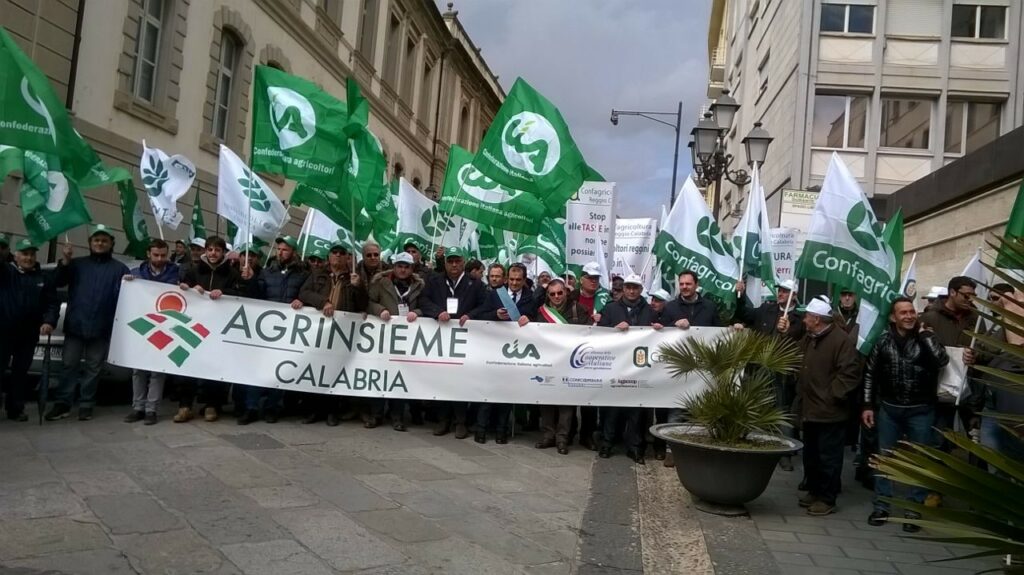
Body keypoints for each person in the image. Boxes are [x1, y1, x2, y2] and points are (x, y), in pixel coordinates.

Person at [862, 297, 948, 531]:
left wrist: (927, 336)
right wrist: (867, 405)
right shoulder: (882, 342)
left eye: (912, 311)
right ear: (893, 317)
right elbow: (869, 374)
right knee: (884, 459)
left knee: (918, 462)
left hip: (921, 410)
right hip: (889, 410)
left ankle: (914, 509)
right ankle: (882, 506)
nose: (909, 316)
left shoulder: (926, 339)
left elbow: (942, 360)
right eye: (903, 313)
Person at [45, 225, 130, 422]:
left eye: (104, 240)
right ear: (90, 243)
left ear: (111, 244)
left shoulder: (120, 269)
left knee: (94, 368)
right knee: (68, 366)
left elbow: (126, 298)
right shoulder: (76, 264)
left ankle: (86, 404)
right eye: (96, 240)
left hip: (101, 327)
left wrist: (131, 282)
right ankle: (63, 403)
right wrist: (64, 261)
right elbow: (56, 282)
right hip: (76, 325)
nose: (100, 243)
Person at [796, 295, 861, 516]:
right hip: (811, 409)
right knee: (811, 455)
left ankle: (827, 497)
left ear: (816, 319)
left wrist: (832, 396)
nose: (804, 320)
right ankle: (815, 491)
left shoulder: (840, 341)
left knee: (828, 457)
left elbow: (850, 374)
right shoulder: (810, 337)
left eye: (807, 316)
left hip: (830, 412)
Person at [421, 246, 492, 438]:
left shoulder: (475, 283)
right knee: (443, 380)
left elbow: (485, 305)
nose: (454, 264)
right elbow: (424, 301)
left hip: (465, 340)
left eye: (457, 261)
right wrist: (437, 312)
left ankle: (460, 422)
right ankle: (443, 420)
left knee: (460, 381)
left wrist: (471, 315)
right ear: (445, 263)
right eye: (450, 261)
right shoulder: (434, 281)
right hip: (441, 338)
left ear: (463, 262)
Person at [239, 235, 309, 424]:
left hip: (288, 330)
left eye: (285, 249)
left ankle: (272, 407)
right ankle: (251, 407)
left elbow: (306, 295)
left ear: (294, 252)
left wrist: (303, 300)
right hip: (267, 328)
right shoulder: (267, 272)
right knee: (258, 368)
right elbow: (256, 295)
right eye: (278, 249)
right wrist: (251, 280)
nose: (280, 252)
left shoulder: (303, 274)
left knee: (281, 369)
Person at [736, 278, 805, 470]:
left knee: (782, 411)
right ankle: (749, 445)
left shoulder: (800, 319)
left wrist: (788, 330)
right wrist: (739, 296)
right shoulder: (766, 310)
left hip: (782, 373)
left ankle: (785, 453)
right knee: (752, 405)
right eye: (780, 290)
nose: (780, 293)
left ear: (794, 296)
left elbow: (799, 338)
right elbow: (745, 314)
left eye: (785, 291)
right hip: (758, 367)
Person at [299, 241, 369, 426]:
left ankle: (332, 412)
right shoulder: (317, 275)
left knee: (334, 370)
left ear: (347, 257)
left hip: (341, 331)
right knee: (315, 370)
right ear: (329, 256)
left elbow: (363, 304)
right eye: (334, 252)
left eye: (341, 253)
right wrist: (323, 302)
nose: (337, 255)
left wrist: (358, 287)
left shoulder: (353, 277)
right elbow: (304, 293)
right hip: (318, 332)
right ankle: (313, 410)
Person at [175, 235, 242, 422]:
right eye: (210, 249)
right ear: (205, 250)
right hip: (193, 326)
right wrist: (187, 288)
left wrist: (225, 293)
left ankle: (212, 405)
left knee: (213, 366)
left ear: (223, 253)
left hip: (218, 328)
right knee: (187, 365)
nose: (213, 253)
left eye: (217, 250)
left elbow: (240, 294)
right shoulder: (194, 270)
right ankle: (185, 406)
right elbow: (183, 290)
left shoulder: (231, 273)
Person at [598, 274, 663, 464]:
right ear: (623, 288)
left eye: (635, 287)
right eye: (628, 287)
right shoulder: (610, 308)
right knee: (612, 408)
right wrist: (613, 329)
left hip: (639, 368)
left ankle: (635, 447)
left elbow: (658, 334)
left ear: (641, 290)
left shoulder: (650, 311)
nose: (632, 291)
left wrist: (660, 329)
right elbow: (599, 333)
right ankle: (607, 444)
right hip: (615, 366)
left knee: (636, 409)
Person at [122, 239, 180, 425]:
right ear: (149, 254)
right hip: (142, 327)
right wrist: (127, 284)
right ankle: (137, 407)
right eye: (156, 255)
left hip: (165, 327)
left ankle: (151, 409)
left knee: (157, 370)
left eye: (163, 255)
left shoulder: (176, 272)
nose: (160, 258)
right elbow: (123, 297)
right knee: (138, 369)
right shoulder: (136, 273)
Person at [920, 277, 980, 455]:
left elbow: (987, 347)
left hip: (970, 388)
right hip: (941, 389)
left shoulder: (976, 318)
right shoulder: (930, 317)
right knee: (939, 438)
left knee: (977, 440)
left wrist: (976, 354)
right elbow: (920, 351)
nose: (970, 299)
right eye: (966, 295)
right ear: (952, 292)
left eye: (973, 295)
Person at [0, 239, 59, 422]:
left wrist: (49, 321)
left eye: (32, 254)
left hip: (28, 333)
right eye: (24, 254)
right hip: (3, 330)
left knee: (20, 372)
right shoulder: (6, 272)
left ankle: (16, 409)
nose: (29, 257)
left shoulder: (42, 278)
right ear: (16, 256)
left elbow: (52, 303)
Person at [478, 262, 534, 444]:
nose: (515, 283)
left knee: (507, 393)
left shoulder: (531, 297)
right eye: (511, 279)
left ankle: (501, 430)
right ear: (506, 279)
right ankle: (481, 429)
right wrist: (495, 314)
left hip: (516, 351)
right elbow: (482, 315)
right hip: (494, 348)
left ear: (524, 280)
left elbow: (537, 320)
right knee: (488, 390)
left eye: (518, 280)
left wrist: (530, 319)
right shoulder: (495, 295)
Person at [367, 252, 424, 431]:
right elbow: (368, 302)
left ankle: (397, 416)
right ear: (394, 266)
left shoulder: (419, 286)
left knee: (399, 378)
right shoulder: (380, 282)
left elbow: (425, 305)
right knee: (381, 376)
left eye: (406, 267)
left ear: (411, 268)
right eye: (400, 266)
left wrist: (418, 313)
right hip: (383, 336)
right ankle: (376, 414)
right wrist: (380, 310)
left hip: (406, 338)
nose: (402, 270)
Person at [535, 278, 589, 454]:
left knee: (566, 403)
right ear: (548, 295)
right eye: (552, 294)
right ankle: (548, 435)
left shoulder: (578, 309)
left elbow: (589, 332)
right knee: (546, 400)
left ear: (566, 291)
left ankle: (562, 438)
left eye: (560, 292)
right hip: (548, 363)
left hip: (570, 363)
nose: (557, 296)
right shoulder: (542, 312)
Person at [569, 261, 606, 450]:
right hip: (571, 351)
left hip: (595, 354)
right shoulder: (570, 297)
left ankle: (587, 434)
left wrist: (604, 318)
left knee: (590, 396)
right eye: (590, 278)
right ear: (581, 279)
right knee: (569, 394)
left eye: (596, 278)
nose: (593, 281)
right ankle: (569, 431)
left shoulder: (605, 299)